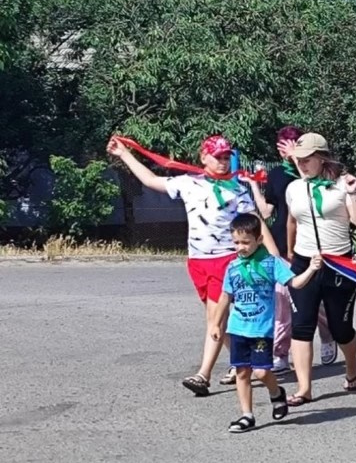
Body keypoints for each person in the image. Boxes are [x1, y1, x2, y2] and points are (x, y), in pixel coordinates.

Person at [106, 134, 277, 396]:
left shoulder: (236, 188)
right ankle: (241, 363)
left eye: (226, 157)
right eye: (217, 157)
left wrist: (275, 261)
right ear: (203, 158)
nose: (223, 162)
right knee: (220, 318)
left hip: (226, 260)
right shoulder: (188, 183)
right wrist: (124, 154)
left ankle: (203, 375)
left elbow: (257, 225)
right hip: (198, 260)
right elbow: (151, 180)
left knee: (215, 318)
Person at [210, 214, 323, 433]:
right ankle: (246, 415)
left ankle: (275, 392)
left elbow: (295, 283)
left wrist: (311, 268)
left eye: (245, 242)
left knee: (261, 373)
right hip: (237, 328)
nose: (240, 247)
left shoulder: (272, 264)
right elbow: (225, 297)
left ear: (259, 239)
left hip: (261, 329)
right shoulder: (233, 268)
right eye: (236, 243)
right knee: (242, 372)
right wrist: (216, 324)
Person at [285, 133, 356, 405]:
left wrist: (353, 194)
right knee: (301, 326)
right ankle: (304, 388)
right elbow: (292, 221)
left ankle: (352, 368)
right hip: (305, 262)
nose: (302, 164)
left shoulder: (341, 185)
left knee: (341, 327)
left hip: (339, 264)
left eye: (308, 159)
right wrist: (290, 254)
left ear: (322, 158)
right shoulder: (294, 188)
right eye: (298, 159)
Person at [244, 125, 336, 373]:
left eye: (291, 144)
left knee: (312, 300)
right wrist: (253, 185)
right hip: (283, 246)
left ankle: (329, 335)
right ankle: (280, 353)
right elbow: (266, 212)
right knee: (284, 301)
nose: (285, 149)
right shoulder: (276, 175)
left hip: (312, 246)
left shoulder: (312, 171)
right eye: (282, 145)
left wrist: (298, 158)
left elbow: (316, 187)